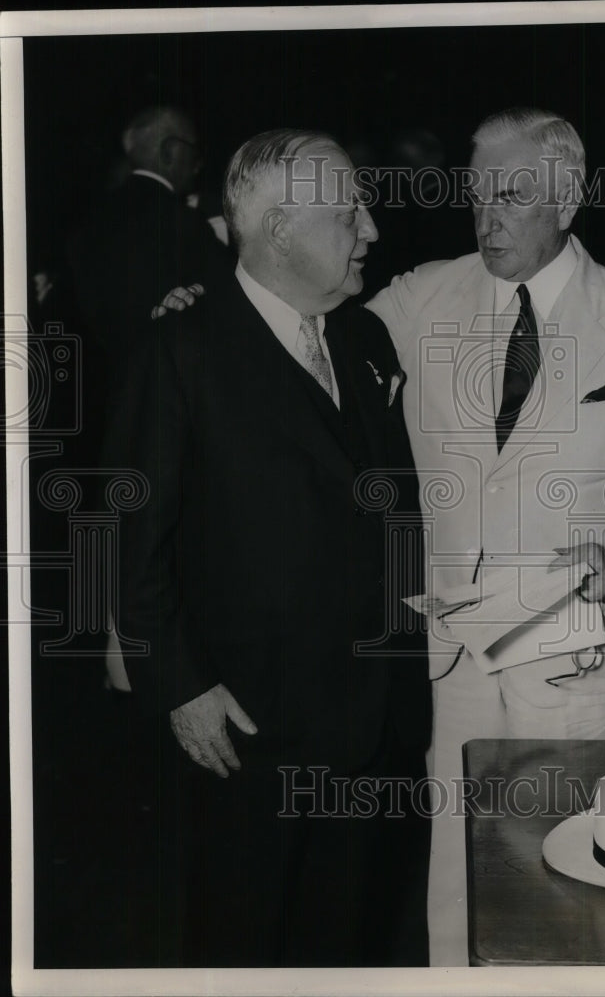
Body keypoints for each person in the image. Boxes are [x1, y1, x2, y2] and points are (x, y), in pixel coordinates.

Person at [365, 106, 605, 964]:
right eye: (478, 192)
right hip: (452, 649)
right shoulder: (418, 299)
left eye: (514, 194)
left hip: (577, 648)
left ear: (568, 201)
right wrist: (208, 304)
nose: (488, 214)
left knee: (558, 884)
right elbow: (306, 344)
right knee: (455, 886)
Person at [104, 129, 431, 967]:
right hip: (245, 739)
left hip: (374, 733)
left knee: (353, 951)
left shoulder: (366, 344)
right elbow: (124, 545)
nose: (372, 230)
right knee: (245, 954)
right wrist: (181, 687)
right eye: (349, 212)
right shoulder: (179, 350)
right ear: (281, 228)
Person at [68, 105, 230, 362]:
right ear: (169, 152)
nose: (198, 164)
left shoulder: (87, 219)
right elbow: (230, 299)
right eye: (194, 150)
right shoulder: (183, 221)